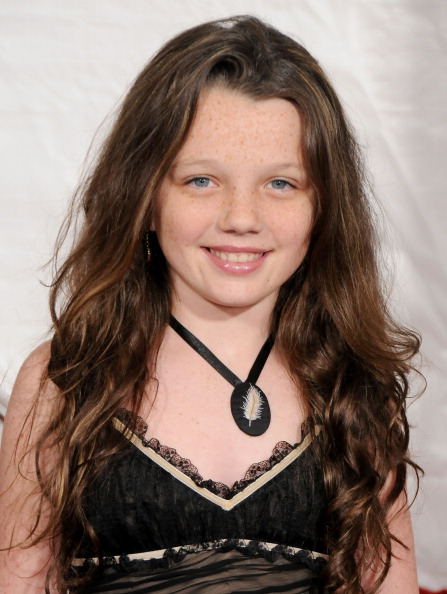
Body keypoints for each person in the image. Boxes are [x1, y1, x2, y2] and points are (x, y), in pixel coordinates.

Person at [0, 15, 422, 594]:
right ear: (145, 197)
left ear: (322, 208)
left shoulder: (357, 392)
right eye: (201, 180)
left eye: (281, 183)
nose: (241, 218)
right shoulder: (64, 384)